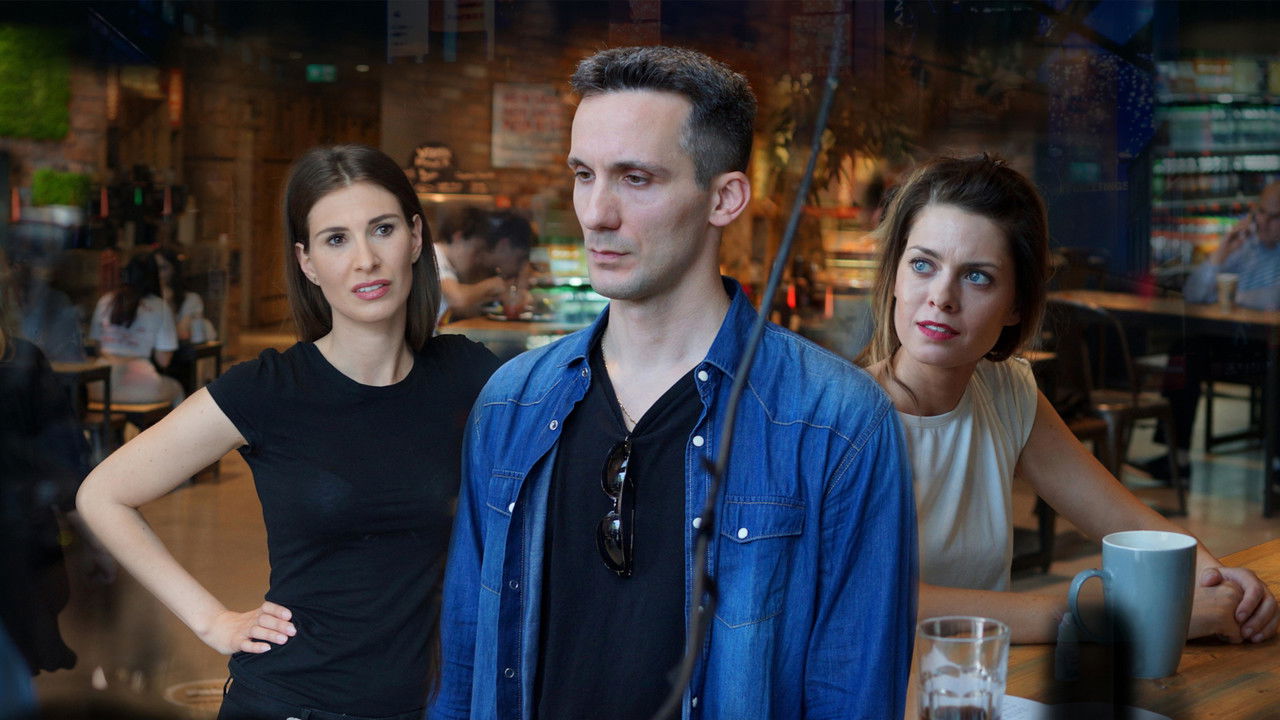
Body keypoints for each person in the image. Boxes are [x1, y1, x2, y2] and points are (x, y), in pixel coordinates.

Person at [431, 46, 917, 720]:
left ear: (724, 198)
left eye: (635, 179)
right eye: (583, 174)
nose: (595, 213)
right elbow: (465, 671)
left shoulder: (836, 422)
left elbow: (852, 697)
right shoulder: (513, 402)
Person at [76, 145, 500, 719]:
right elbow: (102, 494)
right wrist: (212, 620)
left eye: (382, 229)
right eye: (336, 239)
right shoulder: (270, 389)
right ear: (307, 263)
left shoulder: (467, 375)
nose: (366, 260)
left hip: (424, 705)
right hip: (290, 701)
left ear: (416, 237)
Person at [856, 154, 1278, 644]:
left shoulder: (1006, 391)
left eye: (977, 276)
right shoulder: (850, 418)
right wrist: (1136, 616)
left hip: (982, 678)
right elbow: (894, 605)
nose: (942, 296)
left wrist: (1217, 579)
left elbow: (1125, 521)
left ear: (1016, 306)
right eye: (922, 264)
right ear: (895, 276)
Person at [1140, 181, 1280, 479]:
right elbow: (1194, 294)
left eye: (1275, 217)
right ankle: (1177, 456)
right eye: (1261, 213)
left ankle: (1277, 465)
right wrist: (1222, 251)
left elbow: (1274, 298)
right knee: (1184, 352)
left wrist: (1233, 297)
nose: (1265, 223)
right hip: (1231, 344)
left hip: (1269, 347)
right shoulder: (1243, 247)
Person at [87, 253, 184, 406]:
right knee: (177, 389)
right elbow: (164, 360)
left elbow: (98, 348)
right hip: (139, 382)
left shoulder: (105, 301)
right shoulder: (159, 306)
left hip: (98, 384)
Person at [433, 207, 533, 321]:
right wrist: (490, 285)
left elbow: (461, 308)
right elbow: (457, 299)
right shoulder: (436, 255)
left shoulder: (444, 262)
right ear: (458, 237)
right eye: (475, 251)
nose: (475, 259)